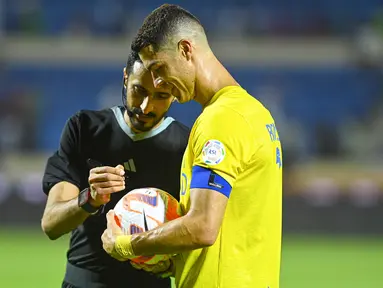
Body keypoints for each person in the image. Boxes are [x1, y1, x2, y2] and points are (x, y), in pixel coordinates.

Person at [101, 4, 283, 288]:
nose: (159, 82)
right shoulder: (254, 114)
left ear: (186, 50)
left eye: (159, 68)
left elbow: (202, 226)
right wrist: (173, 262)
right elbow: (232, 236)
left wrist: (127, 245)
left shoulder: (221, 121)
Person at [41, 50, 189, 288]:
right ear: (125, 78)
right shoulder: (84, 129)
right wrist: (90, 198)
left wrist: (172, 264)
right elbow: (51, 224)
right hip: (85, 282)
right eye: (139, 90)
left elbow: (199, 230)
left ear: (175, 95)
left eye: (160, 95)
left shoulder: (187, 145)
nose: (146, 106)